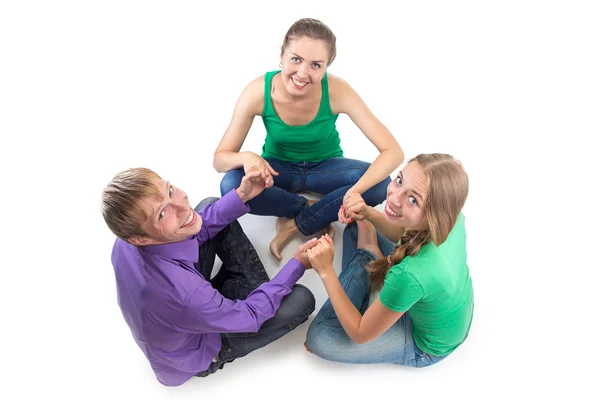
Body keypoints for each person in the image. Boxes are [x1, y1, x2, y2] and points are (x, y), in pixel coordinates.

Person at [101, 167, 316, 386]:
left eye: (170, 190)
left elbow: (195, 231)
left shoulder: (123, 242)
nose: (182, 204)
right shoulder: (186, 294)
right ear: (140, 239)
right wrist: (297, 265)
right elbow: (249, 317)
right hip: (201, 346)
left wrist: (242, 195)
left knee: (209, 208)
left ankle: (252, 296)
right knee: (303, 299)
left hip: (184, 308)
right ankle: (255, 299)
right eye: (162, 214)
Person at [214, 17, 404, 261]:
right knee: (230, 186)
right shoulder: (257, 92)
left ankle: (296, 224)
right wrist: (247, 157)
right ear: (281, 55)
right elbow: (220, 160)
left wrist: (352, 193)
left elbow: (393, 152)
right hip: (278, 171)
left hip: (325, 169)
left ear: (326, 67)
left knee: (380, 184)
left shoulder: (337, 90)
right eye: (295, 59)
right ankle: (306, 207)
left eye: (315, 65)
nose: (302, 73)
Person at [304, 153, 473, 367]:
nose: (394, 197)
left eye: (413, 199)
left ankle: (369, 254)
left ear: (434, 214)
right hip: (438, 306)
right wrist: (367, 214)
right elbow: (404, 233)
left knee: (320, 338)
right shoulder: (453, 217)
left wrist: (326, 270)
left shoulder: (410, 275)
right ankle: (369, 253)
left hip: (426, 344)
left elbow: (360, 333)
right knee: (356, 228)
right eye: (399, 180)